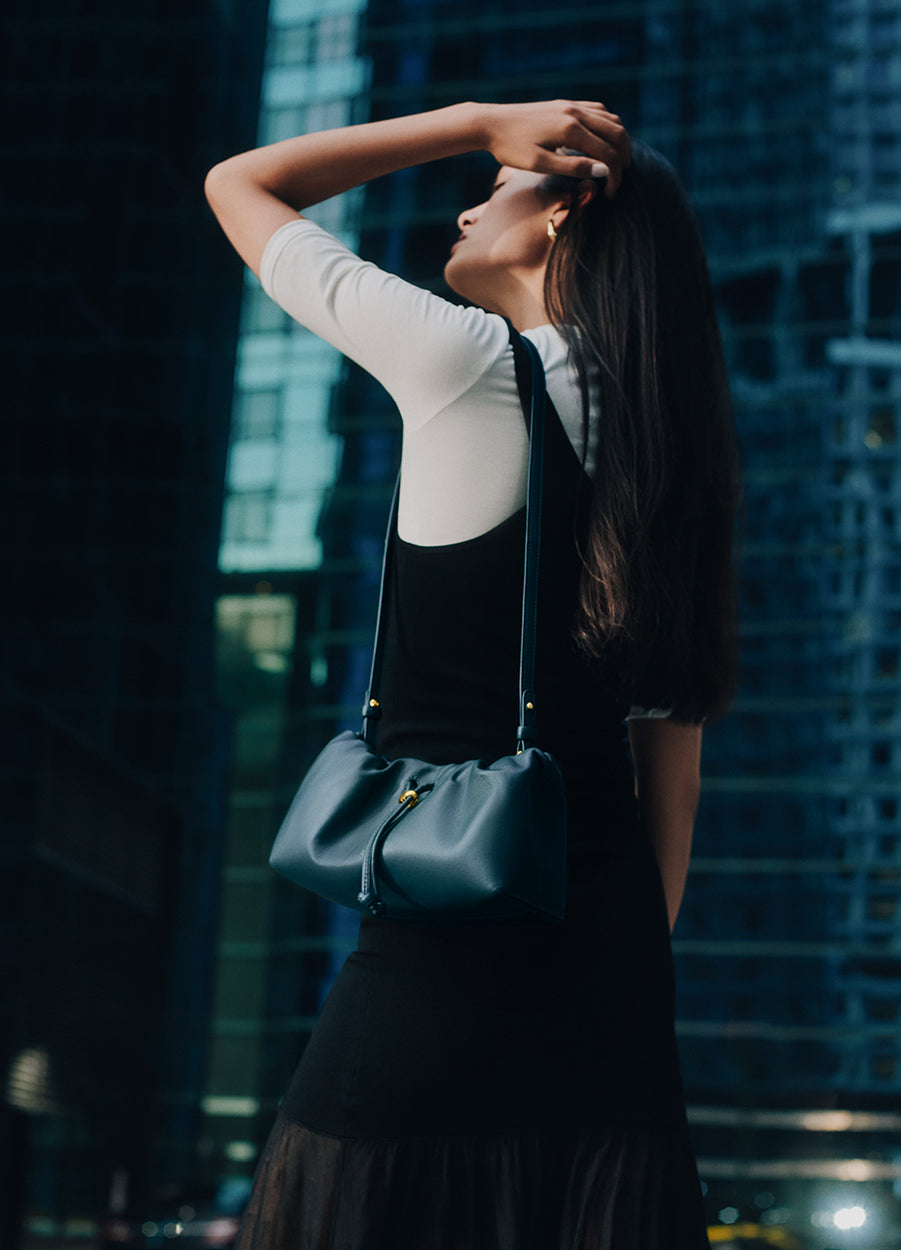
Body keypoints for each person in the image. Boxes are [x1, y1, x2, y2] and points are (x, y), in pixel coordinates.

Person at [205, 99, 739, 1250]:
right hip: (611, 990)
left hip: (440, 954)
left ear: (563, 209)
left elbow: (241, 184)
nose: (465, 204)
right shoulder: (674, 449)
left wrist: (476, 119)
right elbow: (673, 783)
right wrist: (609, 978)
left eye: (494, 184)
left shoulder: (463, 363)